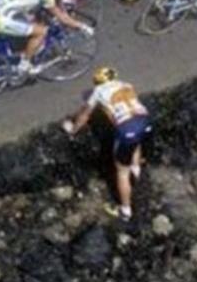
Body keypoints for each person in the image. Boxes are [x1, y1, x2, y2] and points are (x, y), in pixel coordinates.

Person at [62, 67, 151, 221]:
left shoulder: (98, 91)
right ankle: (136, 169)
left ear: (97, 82)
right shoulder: (126, 85)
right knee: (136, 141)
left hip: (126, 130)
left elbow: (85, 115)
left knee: (122, 171)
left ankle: (125, 211)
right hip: (145, 121)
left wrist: (72, 129)